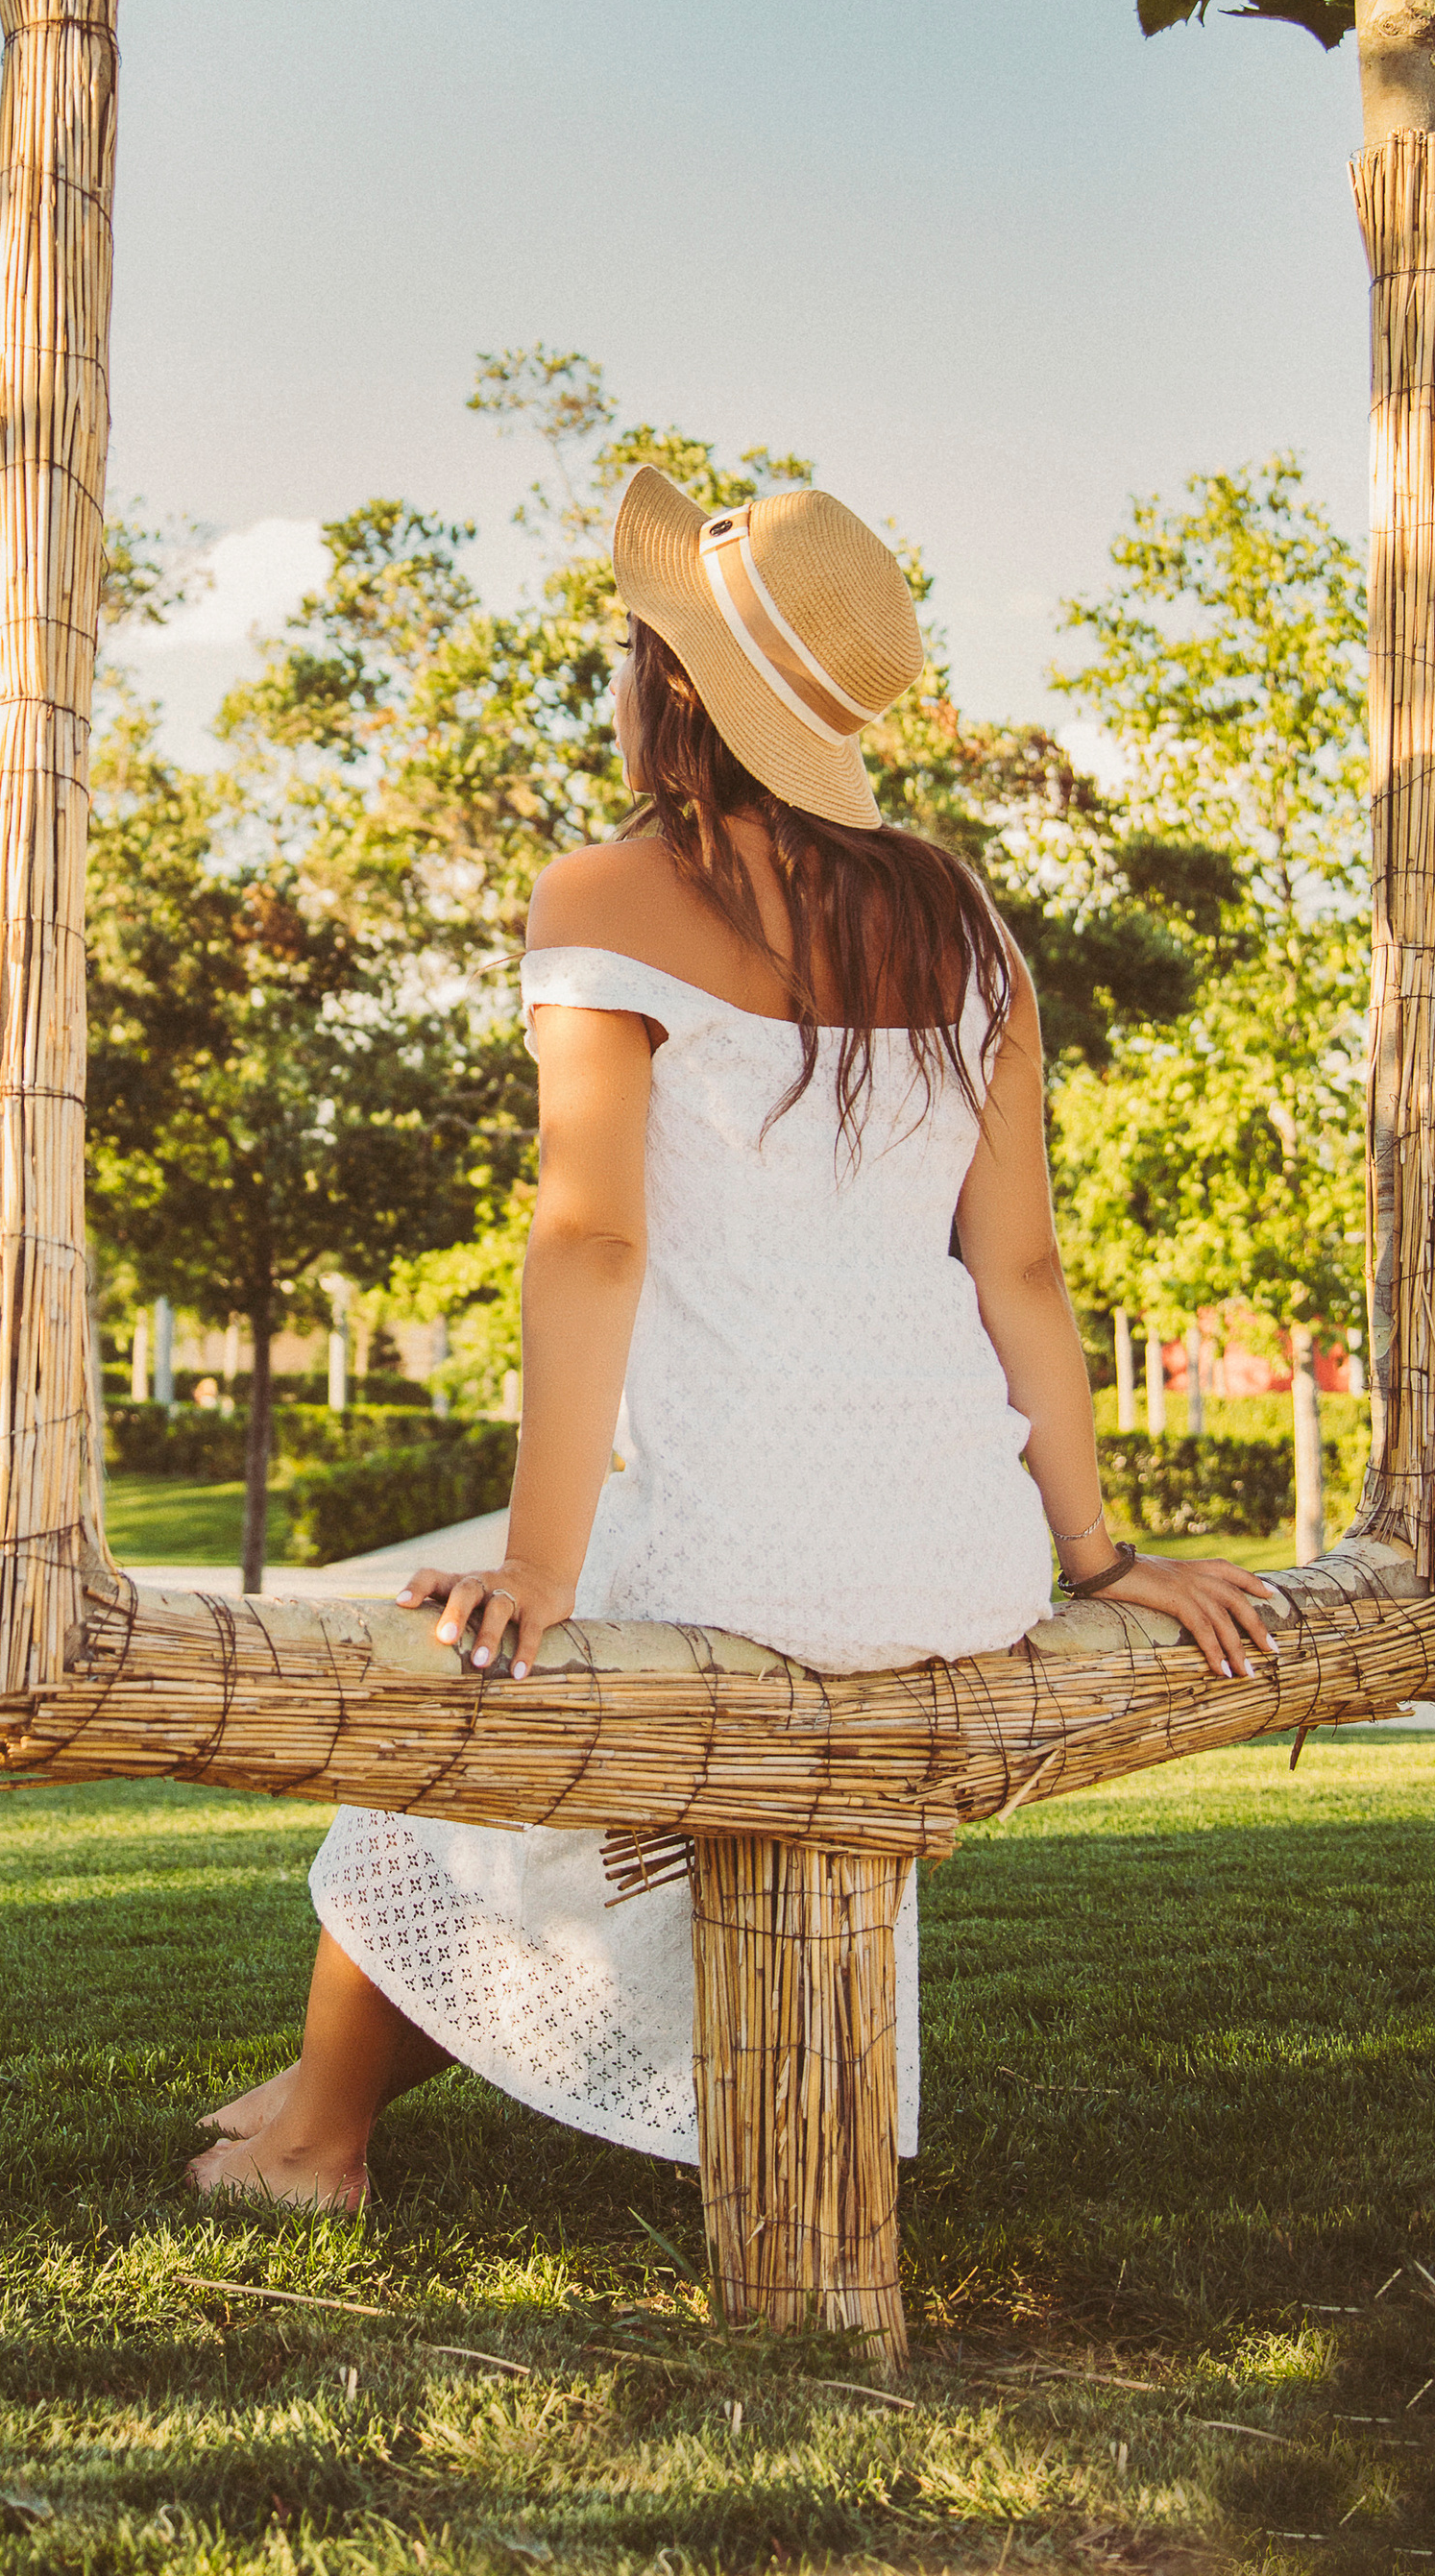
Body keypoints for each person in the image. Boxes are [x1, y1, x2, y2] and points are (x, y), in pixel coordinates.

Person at [190, 467, 1276, 2212]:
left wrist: (544, 1558)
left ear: (677, 692)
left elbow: (591, 1236)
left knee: (445, 1755)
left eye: (640, 653)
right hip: (958, 1558)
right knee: (552, 1792)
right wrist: (1100, 1550)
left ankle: (318, 2140)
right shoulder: (966, 924)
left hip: (743, 1552)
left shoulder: (604, 895)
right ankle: (318, 2092)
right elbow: (1026, 1274)